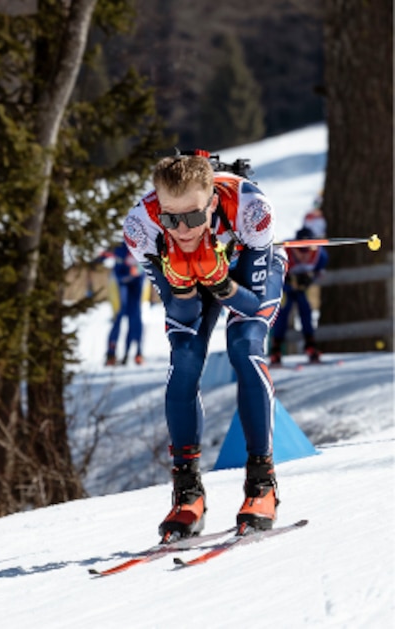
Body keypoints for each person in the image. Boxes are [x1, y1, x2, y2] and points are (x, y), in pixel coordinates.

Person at [122, 154, 284, 540]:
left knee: (244, 347)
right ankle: (187, 493)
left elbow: (251, 302)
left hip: (244, 273)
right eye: (171, 218)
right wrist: (181, 282)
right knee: (184, 359)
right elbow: (183, 312)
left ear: (211, 203)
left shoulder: (251, 209)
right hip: (192, 278)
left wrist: (220, 280)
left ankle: (262, 484)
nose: (182, 229)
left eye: (193, 217)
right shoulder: (141, 228)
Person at [271, 227, 327, 365]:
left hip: (302, 289)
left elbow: (319, 270)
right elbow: (274, 269)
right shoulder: (285, 250)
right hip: (285, 288)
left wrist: (310, 278)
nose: (304, 255)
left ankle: (310, 346)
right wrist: (289, 280)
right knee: (282, 314)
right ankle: (276, 349)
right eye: (300, 250)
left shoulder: (319, 254)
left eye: (308, 249)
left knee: (306, 311)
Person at [101, 243, 147, 366]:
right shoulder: (120, 247)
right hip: (120, 283)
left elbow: (150, 262)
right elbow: (103, 255)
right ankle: (111, 353)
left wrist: (138, 269)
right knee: (119, 315)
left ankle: (137, 352)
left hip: (137, 283)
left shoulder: (144, 245)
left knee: (136, 316)